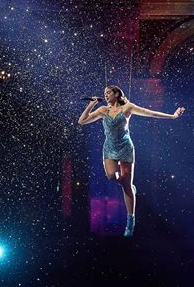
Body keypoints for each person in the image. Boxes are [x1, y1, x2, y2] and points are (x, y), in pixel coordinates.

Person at [78, 85, 185, 237]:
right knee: (111, 176)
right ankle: (129, 186)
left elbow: (151, 113)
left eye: (108, 92)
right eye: (104, 93)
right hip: (109, 148)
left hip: (126, 147)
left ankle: (130, 221)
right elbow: (81, 121)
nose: (106, 95)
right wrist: (92, 104)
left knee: (126, 185)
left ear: (116, 93)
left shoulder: (128, 107)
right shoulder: (103, 111)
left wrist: (173, 116)